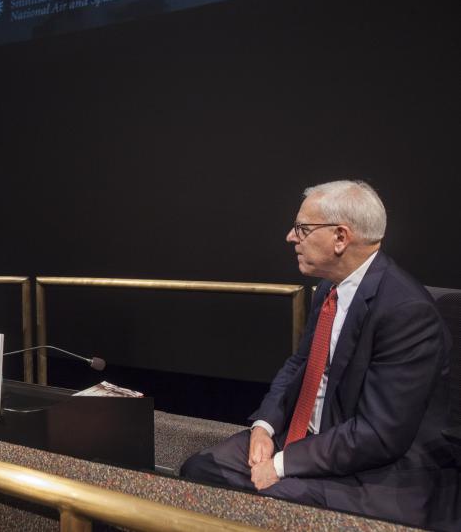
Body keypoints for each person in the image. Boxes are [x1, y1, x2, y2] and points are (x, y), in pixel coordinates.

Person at [181, 180, 459, 530]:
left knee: (266, 506)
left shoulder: (407, 311)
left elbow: (378, 435)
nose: (290, 237)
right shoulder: (329, 287)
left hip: (376, 470)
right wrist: (264, 428)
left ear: (340, 237)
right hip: (310, 438)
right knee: (199, 470)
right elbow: (299, 364)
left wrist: (281, 464)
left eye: (302, 228)